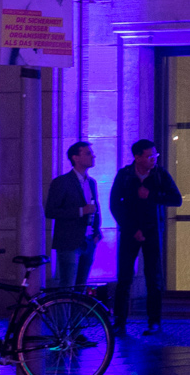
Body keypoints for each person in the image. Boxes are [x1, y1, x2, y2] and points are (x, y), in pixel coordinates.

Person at [109, 138, 182, 337]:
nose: (153, 159)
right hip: (129, 232)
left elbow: (176, 199)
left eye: (155, 155)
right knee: (124, 278)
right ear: (137, 157)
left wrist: (151, 195)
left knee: (153, 278)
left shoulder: (159, 175)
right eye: (149, 156)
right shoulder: (124, 175)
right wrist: (132, 229)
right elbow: (115, 205)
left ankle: (154, 322)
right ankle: (120, 322)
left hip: (152, 232)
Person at [43, 140, 102, 290]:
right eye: (88, 153)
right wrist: (81, 211)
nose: (93, 156)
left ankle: (78, 314)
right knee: (67, 285)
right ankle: (64, 314)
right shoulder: (62, 182)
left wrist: (97, 232)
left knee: (81, 285)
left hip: (88, 240)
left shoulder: (91, 182)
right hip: (69, 241)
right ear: (75, 158)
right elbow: (50, 211)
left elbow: (96, 208)